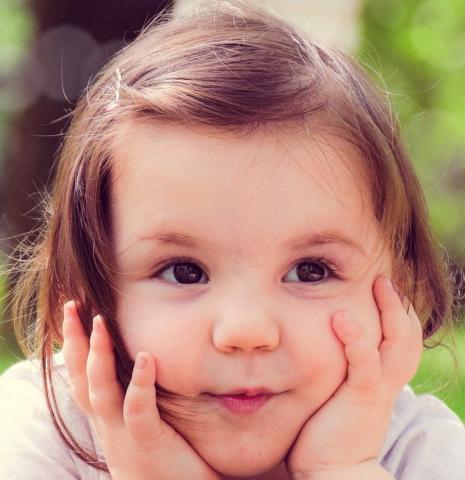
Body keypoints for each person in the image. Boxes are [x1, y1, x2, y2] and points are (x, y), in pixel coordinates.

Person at [1, 1, 464, 479]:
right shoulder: (38, 435)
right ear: (78, 296)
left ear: (402, 290)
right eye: (185, 271)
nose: (247, 332)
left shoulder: (420, 451)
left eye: (311, 270)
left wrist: (343, 467)